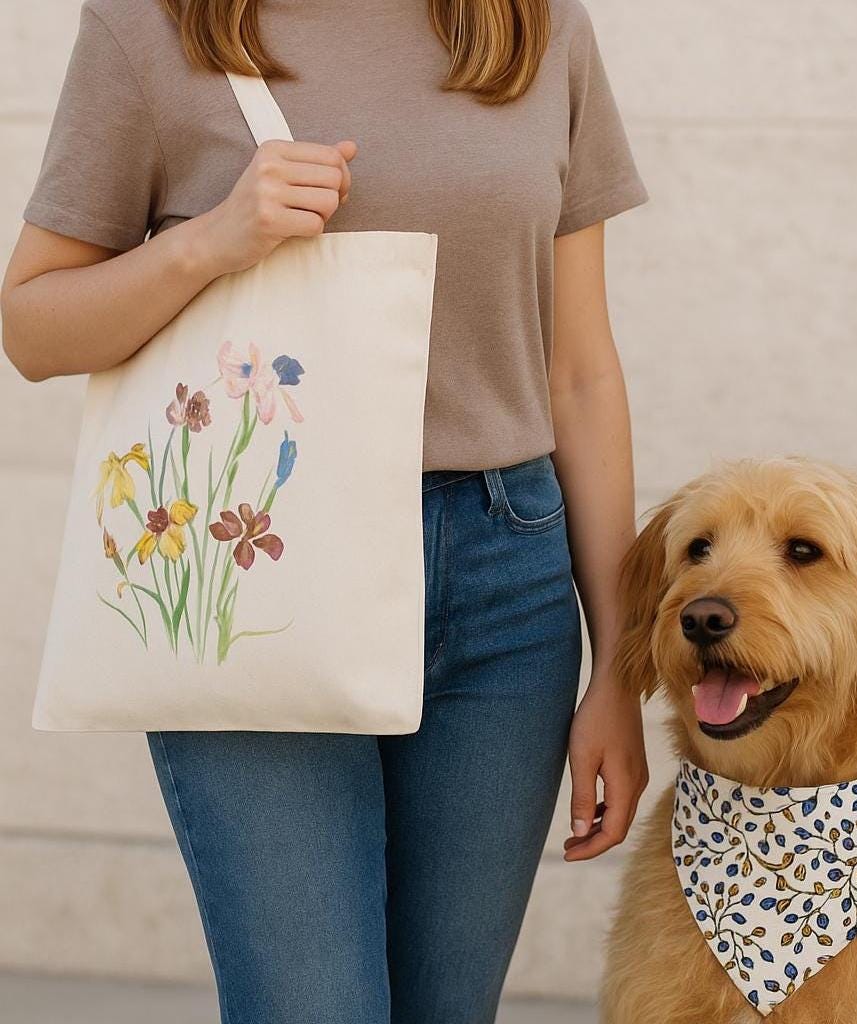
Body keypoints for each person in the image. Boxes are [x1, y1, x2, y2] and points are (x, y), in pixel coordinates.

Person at [1, 1, 650, 1021]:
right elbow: (32, 325)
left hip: (505, 583)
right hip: (262, 569)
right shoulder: (154, 26)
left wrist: (621, 663)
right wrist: (210, 243)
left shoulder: (528, 25)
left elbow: (579, 372)